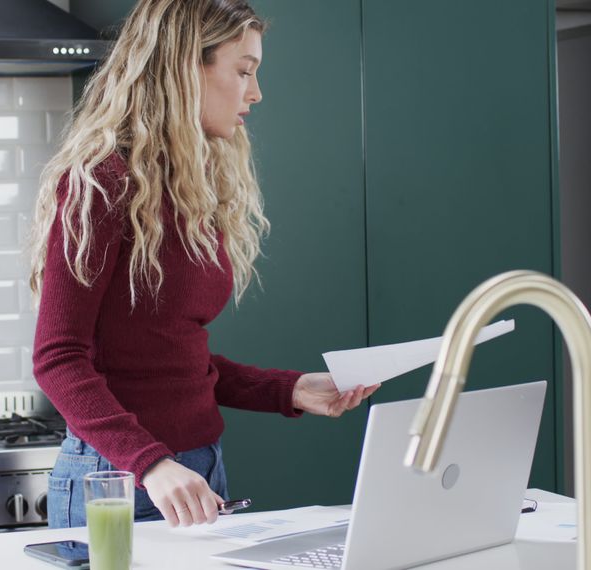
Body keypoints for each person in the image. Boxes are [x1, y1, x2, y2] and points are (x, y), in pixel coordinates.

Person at [28, 0, 378, 530]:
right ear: (185, 67)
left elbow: (169, 354)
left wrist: (289, 390)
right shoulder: (100, 182)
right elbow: (58, 358)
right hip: (119, 480)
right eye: (243, 71)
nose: (255, 93)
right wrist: (151, 464)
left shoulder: (186, 186)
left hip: (196, 471)